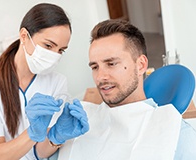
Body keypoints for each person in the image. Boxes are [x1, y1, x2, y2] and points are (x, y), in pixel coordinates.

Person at [58, 19, 196, 160]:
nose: (100, 77)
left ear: (141, 65)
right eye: (95, 67)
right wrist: (49, 141)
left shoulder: (176, 136)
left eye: (111, 64)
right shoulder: (80, 123)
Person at [0, 3, 89, 160]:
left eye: (60, 50)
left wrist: (57, 136)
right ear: (24, 36)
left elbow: (40, 153)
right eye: (48, 45)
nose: (54, 55)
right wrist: (32, 133)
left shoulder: (57, 82)